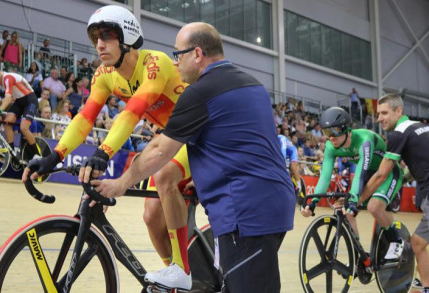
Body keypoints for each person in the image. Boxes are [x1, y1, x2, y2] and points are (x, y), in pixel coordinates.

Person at [88, 22, 295, 293]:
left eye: (178, 54)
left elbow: (160, 150)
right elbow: (240, 142)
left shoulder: (201, 92)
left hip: (244, 212)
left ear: (197, 54)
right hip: (273, 203)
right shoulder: (253, 85)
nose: (175, 63)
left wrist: (120, 183)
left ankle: (180, 270)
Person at [23, 5, 193, 291]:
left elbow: (133, 111)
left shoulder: (156, 62)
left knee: (164, 178)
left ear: (126, 37)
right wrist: (54, 155)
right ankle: (174, 281)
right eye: (95, 37)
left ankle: (182, 271)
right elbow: (85, 118)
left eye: (107, 35)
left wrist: (103, 153)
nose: (99, 43)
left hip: (197, 135)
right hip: (169, 138)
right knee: (151, 217)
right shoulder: (104, 74)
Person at [367, 93, 429, 293]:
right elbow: (421, 163)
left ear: (399, 111)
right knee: (417, 244)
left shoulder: (400, 133)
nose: (379, 118)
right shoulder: (417, 127)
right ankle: (426, 289)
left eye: (384, 113)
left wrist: (358, 198)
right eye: (378, 114)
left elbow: (381, 174)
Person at [301, 107, 404, 260]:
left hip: (387, 173)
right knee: (345, 210)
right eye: (326, 132)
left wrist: (354, 200)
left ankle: (396, 240)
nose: (331, 137)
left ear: (347, 129)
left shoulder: (364, 140)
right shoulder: (331, 146)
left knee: (374, 207)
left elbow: (360, 174)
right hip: (369, 174)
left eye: (334, 131)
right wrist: (313, 201)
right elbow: (325, 177)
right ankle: (360, 257)